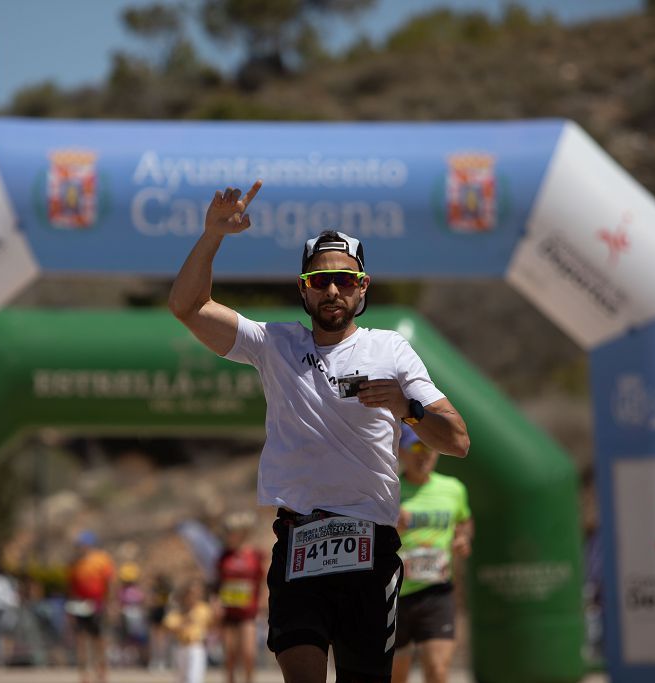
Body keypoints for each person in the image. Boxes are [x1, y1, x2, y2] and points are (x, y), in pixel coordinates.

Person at [168, 180, 470, 683]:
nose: (333, 290)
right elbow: (187, 307)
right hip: (300, 541)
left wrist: (405, 406)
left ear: (363, 287)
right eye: (320, 280)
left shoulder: (391, 350)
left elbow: (456, 439)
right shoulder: (274, 344)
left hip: (370, 544)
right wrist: (212, 236)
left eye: (345, 281)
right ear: (303, 287)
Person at [391, 425, 474, 683]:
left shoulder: (453, 488)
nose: (424, 453)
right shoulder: (390, 490)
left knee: (438, 670)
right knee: (396, 676)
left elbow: (464, 520)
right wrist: (389, 524)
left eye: (430, 447)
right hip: (395, 596)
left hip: (437, 592)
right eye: (416, 446)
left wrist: (463, 538)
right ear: (401, 452)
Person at [216, 511, 267, 683]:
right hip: (228, 611)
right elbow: (216, 582)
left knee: (248, 653)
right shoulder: (223, 556)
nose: (228, 535)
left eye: (231, 531)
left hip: (248, 611)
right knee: (229, 655)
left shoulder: (255, 555)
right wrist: (215, 603)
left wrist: (262, 603)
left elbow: (263, 581)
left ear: (242, 532)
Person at [65, 531, 115, 683]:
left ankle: (101, 672)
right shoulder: (74, 564)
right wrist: (70, 608)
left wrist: (109, 603)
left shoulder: (102, 560)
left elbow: (109, 583)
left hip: (97, 604)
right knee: (81, 641)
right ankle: (84, 674)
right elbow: (71, 587)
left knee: (99, 640)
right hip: (79, 605)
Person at [163, 579, 215, 683]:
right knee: (181, 678)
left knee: (193, 678)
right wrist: (184, 622)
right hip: (181, 646)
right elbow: (168, 626)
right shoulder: (178, 611)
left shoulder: (203, 609)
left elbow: (212, 624)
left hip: (196, 646)